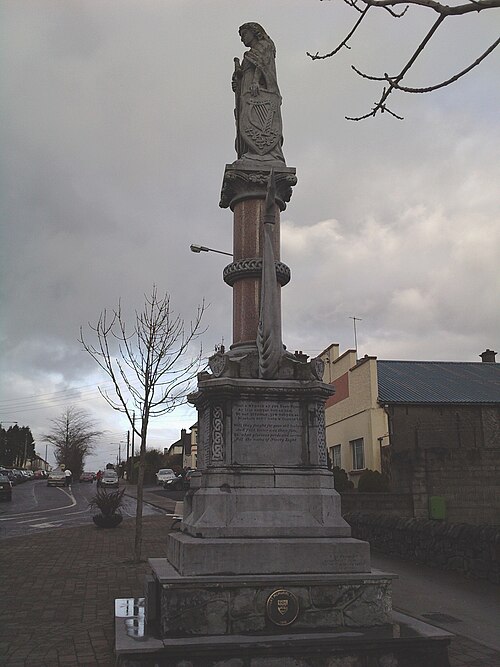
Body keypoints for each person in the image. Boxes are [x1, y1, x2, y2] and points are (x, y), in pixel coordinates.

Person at [232, 22, 285, 164]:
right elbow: (245, 72)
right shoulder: (248, 54)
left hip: (258, 91)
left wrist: (255, 81)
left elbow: (263, 65)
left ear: (255, 32)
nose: (242, 39)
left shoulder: (265, 46)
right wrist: (238, 79)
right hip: (247, 90)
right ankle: (250, 150)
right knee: (246, 117)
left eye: (244, 34)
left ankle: (269, 153)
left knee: (261, 119)